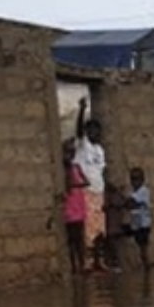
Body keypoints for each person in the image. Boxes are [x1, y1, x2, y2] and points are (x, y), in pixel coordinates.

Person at [74, 98, 107, 273]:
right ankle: (86, 262)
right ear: (87, 131)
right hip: (86, 193)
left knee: (101, 229)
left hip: (99, 193)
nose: (95, 133)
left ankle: (99, 261)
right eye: (91, 130)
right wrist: (82, 109)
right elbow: (78, 131)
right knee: (88, 230)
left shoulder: (100, 150)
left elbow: (101, 172)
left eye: (97, 130)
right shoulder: (83, 146)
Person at [61, 139, 88, 275]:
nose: (70, 155)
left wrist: (78, 185)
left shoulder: (76, 167)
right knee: (72, 239)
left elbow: (86, 181)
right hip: (69, 207)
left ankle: (81, 265)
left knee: (79, 238)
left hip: (79, 205)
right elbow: (65, 187)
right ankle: (74, 266)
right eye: (67, 152)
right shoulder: (62, 170)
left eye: (72, 152)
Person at [125, 167, 152, 271]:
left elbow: (131, 203)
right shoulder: (134, 192)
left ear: (142, 180)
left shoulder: (143, 191)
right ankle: (143, 266)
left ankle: (146, 268)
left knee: (143, 248)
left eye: (137, 179)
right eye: (133, 179)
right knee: (140, 247)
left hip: (143, 225)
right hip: (136, 224)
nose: (134, 182)